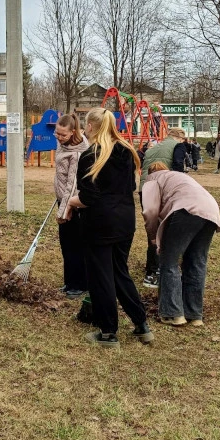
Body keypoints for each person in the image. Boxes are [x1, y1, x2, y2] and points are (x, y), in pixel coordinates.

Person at [68, 107, 153, 348]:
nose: (84, 130)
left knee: (101, 276)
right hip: (125, 220)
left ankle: (108, 332)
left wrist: (71, 202)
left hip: (99, 223)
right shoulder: (127, 151)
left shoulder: (91, 156)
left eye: (85, 126)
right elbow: (130, 186)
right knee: (119, 271)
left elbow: (88, 197)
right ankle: (141, 325)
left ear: (92, 127)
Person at [141, 162, 220, 327]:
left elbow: (150, 211)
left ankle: (173, 313)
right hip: (211, 211)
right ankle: (194, 314)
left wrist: (153, 237)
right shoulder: (179, 177)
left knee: (169, 262)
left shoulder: (152, 179)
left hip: (186, 210)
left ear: (150, 172)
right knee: (196, 262)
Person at [137, 126, 183, 288]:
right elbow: (178, 166)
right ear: (180, 137)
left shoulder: (153, 147)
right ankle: (158, 271)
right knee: (165, 229)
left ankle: (151, 270)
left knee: (153, 229)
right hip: (162, 189)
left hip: (145, 189)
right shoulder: (178, 146)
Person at [54, 113, 89, 298]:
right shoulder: (63, 145)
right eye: (56, 134)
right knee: (65, 244)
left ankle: (80, 284)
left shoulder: (78, 152)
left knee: (75, 245)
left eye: (63, 135)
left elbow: (72, 184)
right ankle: (69, 282)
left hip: (74, 205)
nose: (59, 138)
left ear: (73, 132)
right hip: (63, 200)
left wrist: (64, 210)